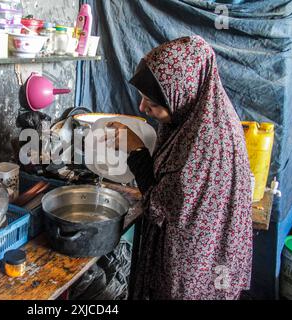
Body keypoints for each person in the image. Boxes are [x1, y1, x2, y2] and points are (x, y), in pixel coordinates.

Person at [106, 36, 253, 300]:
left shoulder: (203, 145)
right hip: (211, 258)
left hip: (192, 269)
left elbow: (157, 207)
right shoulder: (204, 112)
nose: (142, 108)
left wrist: (137, 151)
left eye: (152, 104)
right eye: (141, 98)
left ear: (183, 94)